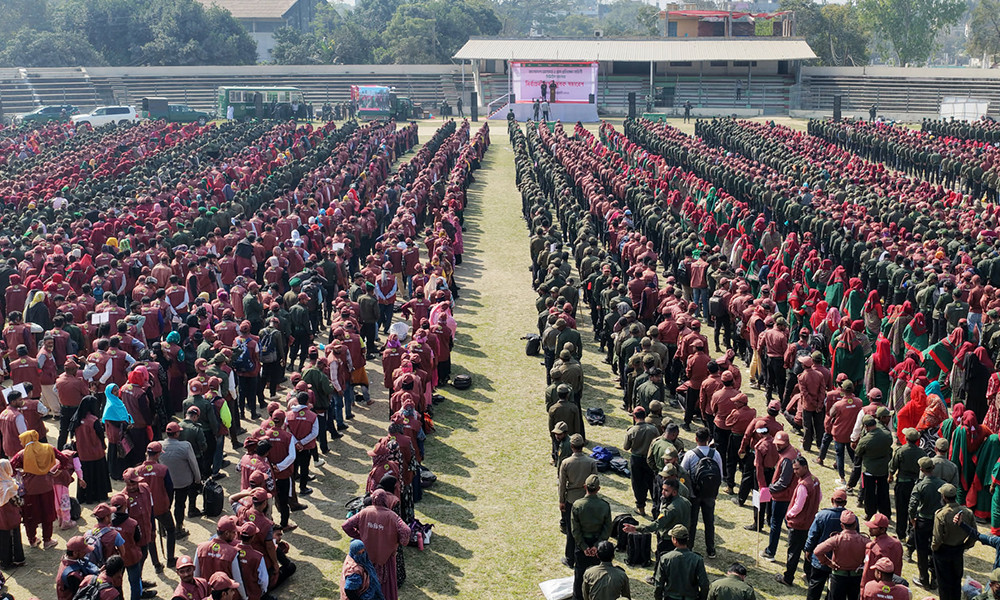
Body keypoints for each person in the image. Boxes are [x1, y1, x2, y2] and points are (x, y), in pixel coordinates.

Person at [342, 488, 411, 600]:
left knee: (366, 583)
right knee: (386, 586)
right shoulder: (392, 516)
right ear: (385, 500)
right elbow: (406, 531)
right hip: (386, 559)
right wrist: (398, 541)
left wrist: (360, 537)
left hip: (366, 556)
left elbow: (346, 525)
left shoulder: (364, 512)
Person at [775, 455, 821, 586]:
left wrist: (789, 515)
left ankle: (788, 578)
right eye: (794, 469)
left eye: (797, 469)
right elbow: (819, 497)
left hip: (799, 524)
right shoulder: (815, 480)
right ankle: (808, 574)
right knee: (808, 550)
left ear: (805, 467)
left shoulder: (803, 485)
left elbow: (798, 506)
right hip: (810, 523)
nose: (795, 472)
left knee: (793, 553)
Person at [680, 427, 723, 557]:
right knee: (709, 522)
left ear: (696, 439)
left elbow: (682, 472)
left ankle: (689, 546)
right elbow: (720, 475)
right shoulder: (716, 454)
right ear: (708, 439)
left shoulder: (690, 454)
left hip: (694, 493)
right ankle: (711, 549)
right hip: (710, 494)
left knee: (692, 521)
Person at [571, 474, 612, 600]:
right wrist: (596, 546)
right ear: (598, 489)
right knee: (597, 574)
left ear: (585, 487)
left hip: (582, 543)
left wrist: (584, 547)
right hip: (598, 544)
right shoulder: (604, 506)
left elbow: (575, 530)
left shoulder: (577, 505)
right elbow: (607, 529)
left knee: (579, 574)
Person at [559, 434, 597, 568]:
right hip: (587, 498)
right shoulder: (591, 462)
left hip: (571, 499)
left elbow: (562, 484)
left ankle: (570, 559)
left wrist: (561, 501)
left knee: (571, 530)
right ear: (583, 445)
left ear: (571, 446)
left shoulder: (566, 463)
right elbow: (595, 481)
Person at [804, 489, 850, 600]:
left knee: (815, 587)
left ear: (832, 500)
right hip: (839, 562)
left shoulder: (822, 515)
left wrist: (808, 550)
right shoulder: (851, 519)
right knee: (833, 591)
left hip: (820, 559)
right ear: (845, 503)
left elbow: (813, 535)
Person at [932, 483, 976, 600]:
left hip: (943, 550)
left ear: (944, 497)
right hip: (958, 549)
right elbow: (974, 534)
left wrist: (934, 548)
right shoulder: (967, 512)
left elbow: (937, 538)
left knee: (944, 583)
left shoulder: (941, 514)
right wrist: (966, 545)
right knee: (956, 581)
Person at [813, 510, 869, 600]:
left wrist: (828, 562)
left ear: (842, 525)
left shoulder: (836, 539)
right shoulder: (864, 540)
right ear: (855, 524)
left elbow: (817, 551)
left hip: (838, 576)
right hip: (856, 577)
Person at [160, 420, 200, 539]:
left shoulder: (159, 445)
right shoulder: (185, 446)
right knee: (180, 505)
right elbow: (193, 463)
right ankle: (178, 528)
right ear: (177, 434)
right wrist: (197, 478)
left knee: (166, 505)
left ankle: (163, 527)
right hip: (182, 482)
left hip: (166, 483)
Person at [909, 456, 943, 589]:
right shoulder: (942, 484)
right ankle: (935, 578)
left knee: (922, 551)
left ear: (921, 470)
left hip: (923, 521)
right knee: (936, 549)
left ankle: (923, 579)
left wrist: (912, 518)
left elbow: (912, 505)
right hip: (937, 522)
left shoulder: (920, 486)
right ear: (933, 468)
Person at [652, 524, 709, 600]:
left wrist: (658, 598)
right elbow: (704, 584)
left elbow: (659, 584)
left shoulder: (665, 558)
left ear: (674, 540)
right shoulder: (697, 559)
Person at [854, 415, 892, 519]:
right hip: (883, 469)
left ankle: (870, 514)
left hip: (869, 470)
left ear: (866, 427)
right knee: (884, 493)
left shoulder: (866, 440)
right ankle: (886, 514)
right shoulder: (887, 435)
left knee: (869, 493)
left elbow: (858, 452)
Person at [625, 407, 659, 517]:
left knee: (637, 484)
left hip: (636, 459)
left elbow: (626, 447)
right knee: (652, 483)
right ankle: (656, 507)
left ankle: (641, 508)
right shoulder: (653, 429)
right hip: (650, 459)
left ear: (634, 417)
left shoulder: (631, 431)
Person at [57, 535, 101, 600]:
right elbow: (82, 593)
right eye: (84, 551)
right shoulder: (72, 575)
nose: (86, 553)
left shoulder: (66, 559)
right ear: (75, 553)